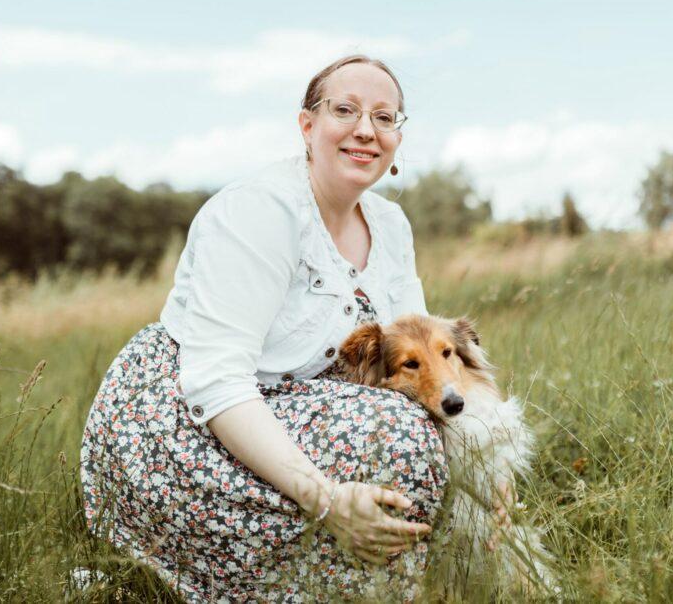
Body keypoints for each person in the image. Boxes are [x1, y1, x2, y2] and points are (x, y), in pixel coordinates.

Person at [80, 54, 448, 602]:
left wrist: (484, 463)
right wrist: (324, 497)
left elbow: (425, 367)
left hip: (294, 400)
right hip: (184, 418)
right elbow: (217, 381)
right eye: (344, 110)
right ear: (307, 125)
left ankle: (381, 585)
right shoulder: (259, 212)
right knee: (397, 439)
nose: (366, 130)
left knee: (415, 430)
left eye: (385, 117)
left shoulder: (391, 226)